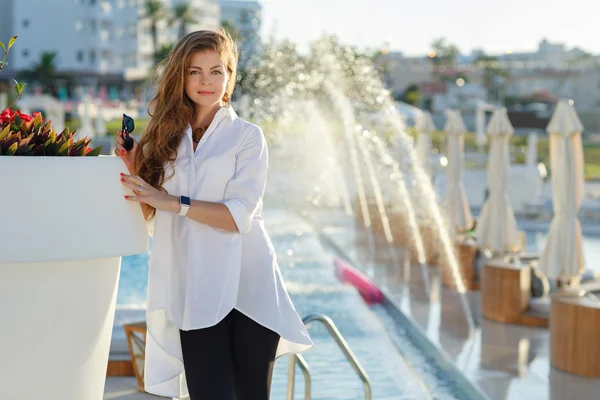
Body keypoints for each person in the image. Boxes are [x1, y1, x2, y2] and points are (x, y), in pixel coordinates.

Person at [114, 29, 313, 400]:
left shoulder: (248, 137)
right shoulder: (166, 141)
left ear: (230, 77)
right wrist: (136, 167)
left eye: (216, 71)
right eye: (194, 72)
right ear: (181, 77)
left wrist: (174, 202)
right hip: (197, 289)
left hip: (249, 287)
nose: (206, 81)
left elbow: (239, 216)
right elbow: (155, 218)